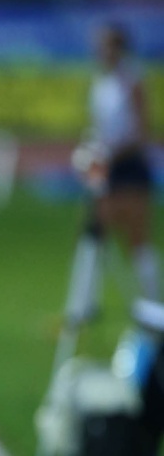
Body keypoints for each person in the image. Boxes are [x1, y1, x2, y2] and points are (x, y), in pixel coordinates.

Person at [79, 23, 160, 304]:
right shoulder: (100, 83)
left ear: (118, 48)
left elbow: (140, 132)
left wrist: (110, 154)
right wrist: (91, 151)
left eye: (106, 46)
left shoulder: (132, 79)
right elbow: (99, 127)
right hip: (107, 165)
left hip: (129, 166)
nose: (100, 52)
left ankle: (152, 303)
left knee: (137, 237)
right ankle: (86, 304)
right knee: (94, 232)